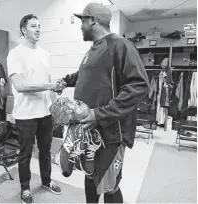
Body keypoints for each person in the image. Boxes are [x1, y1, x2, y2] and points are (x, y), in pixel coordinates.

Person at [60, 3, 150, 203]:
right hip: (89, 132)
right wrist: (65, 81)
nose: (80, 25)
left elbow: (139, 86)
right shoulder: (92, 50)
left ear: (92, 20)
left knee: (108, 186)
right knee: (90, 175)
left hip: (110, 133)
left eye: (82, 20)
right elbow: (86, 74)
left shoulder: (119, 45)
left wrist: (99, 114)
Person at [7, 14, 65, 204]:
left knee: (45, 151)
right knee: (24, 154)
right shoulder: (15, 54)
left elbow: (50, 83)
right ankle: (25, 188)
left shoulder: (44, 54)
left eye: (39, 26)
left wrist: (56, 106)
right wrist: (50, 86)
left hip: (45, 114)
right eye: (34, 26)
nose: (38, 29)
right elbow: (20, 86)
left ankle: (46, 181)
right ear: (24, 29)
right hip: (25, 115)